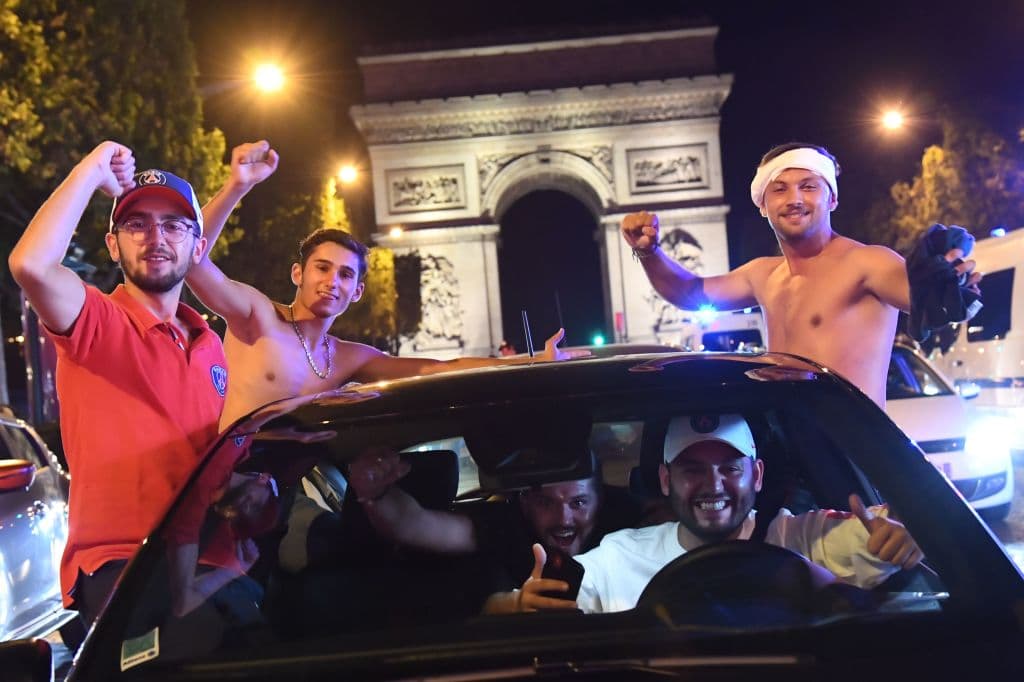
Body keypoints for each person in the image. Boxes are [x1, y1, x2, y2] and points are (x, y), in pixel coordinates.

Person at [189, 141, 587, 431]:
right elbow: (191, 258)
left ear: (358, 291)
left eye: (346, 275)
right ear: (298, 273)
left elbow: (438, 368)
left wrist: (530, 360)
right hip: (225, 484)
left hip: (284, 495)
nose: (332, 282)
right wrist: (236, 186)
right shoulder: (256, 316)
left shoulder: (347, 357)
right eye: (322, 268)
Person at [7, 142, 227, 628]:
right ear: (113, 245)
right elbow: (31, 266)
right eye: (136, 224)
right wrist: (91, 168)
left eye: (173, 225)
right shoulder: (97, 322)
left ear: (198, 246)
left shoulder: (211, 345)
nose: (156, 237)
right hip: (122, 566)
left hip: (205, 559)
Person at [621, 142, 982, 406]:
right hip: (788, 446)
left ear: (832, 199)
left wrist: (948, 282)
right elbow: (689, 293)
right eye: (779, 189)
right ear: (763, 205)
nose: (794, 198)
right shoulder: (762, 275)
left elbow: (925, 296)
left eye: (808, 186)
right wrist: (648, 251)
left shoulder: (866, 263)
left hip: (853, 448)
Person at [510, 413, 924, 614]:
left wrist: (908, 531)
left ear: (756, 475)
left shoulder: (803, 538)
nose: (713, 485)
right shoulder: (619, 556)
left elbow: (874, 534)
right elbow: (539, 600)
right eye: (692, 470)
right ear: (666, 479)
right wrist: (516, 606)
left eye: (730, 469)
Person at [344, 448, 639, 613]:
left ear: (601, 499)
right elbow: (414, 525)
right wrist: (376, 493)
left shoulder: (632, 523)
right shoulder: (505, 526)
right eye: (545, 502)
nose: (564, 518)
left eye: (578, 502)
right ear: (524, 503)